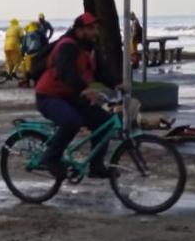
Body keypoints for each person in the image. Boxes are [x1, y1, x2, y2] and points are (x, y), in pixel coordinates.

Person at [33, 13, 123, 180]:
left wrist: (117, 83)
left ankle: (96, 167)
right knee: (71, 122)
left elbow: (100, 71)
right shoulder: (67, 46)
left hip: (71, 96)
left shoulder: (89, 48)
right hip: (49, 96)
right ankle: (50, 158)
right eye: (91, 28)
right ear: (79, 30)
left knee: (104, 122)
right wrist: (85, 90)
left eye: (96, 28)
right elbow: (66, 72)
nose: (95, 32)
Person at [19, 22, 45, 88]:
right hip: (38, 54)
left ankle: (27, 83)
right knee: (38, 69)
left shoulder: (26, 36)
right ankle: (36, 83)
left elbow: (23, 47)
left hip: (29, 55)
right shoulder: (40, 34)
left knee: (26, 69)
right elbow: (44, 44)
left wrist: (22, 55)